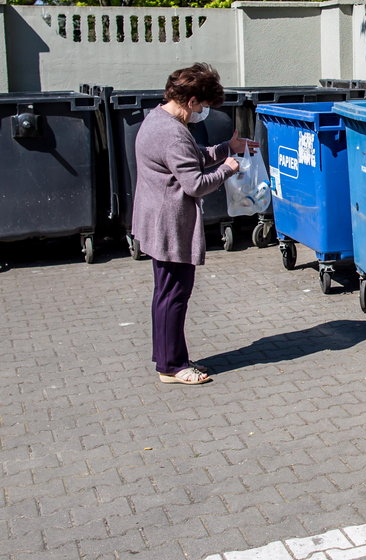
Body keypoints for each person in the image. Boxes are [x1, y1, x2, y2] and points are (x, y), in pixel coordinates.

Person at [132, 62, 257, 385]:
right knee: (175, 294)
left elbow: (190, 157)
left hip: (154, 219)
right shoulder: (172, 132)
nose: (204, 112)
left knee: (165, 293)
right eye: (203, 105)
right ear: (191, 101)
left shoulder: (156, 119)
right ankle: (173, 366)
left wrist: (228, 147)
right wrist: (229, 166)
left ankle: (166, 358)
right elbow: (196, 184)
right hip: (170, 224)